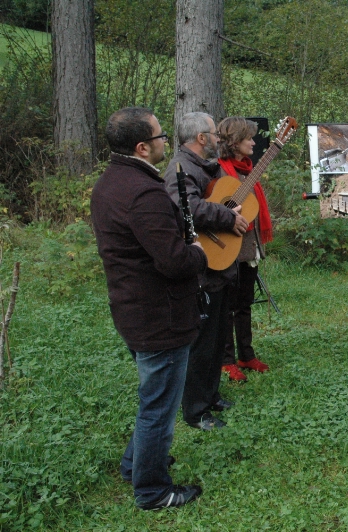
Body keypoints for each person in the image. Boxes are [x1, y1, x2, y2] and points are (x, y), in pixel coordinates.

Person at [91, 107, 206, 509]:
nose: (165, 143)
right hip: (159, 316)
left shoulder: (110, 182)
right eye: (160, 137)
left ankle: (134, 465)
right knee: (158, 407)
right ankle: (153, 490)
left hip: (132, 308)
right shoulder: (143, 193)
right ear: (142, 147)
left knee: (153, 398)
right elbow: (174, 261)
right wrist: (198, 252)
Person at [163, 112, 249, 430]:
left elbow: (213, 198)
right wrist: (228, 217)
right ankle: (195, 410)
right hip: (201, 268)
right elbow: (187, 207)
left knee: (216, 337)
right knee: (201, 343)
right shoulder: (180, 168)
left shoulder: (205, 167)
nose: (218, 139)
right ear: (201, 138)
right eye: (214, 134)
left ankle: (211, 395)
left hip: (219, 267)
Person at [216, 117, 272, 381]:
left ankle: (246, 355)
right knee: (227, 305)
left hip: (249, 246)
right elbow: (212, 205)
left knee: (245, 302)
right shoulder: (217, 170)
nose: (253, 142)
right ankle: (226, 360)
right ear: (235, 141)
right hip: (227, 246)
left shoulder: (250, 170)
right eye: (249, 138)